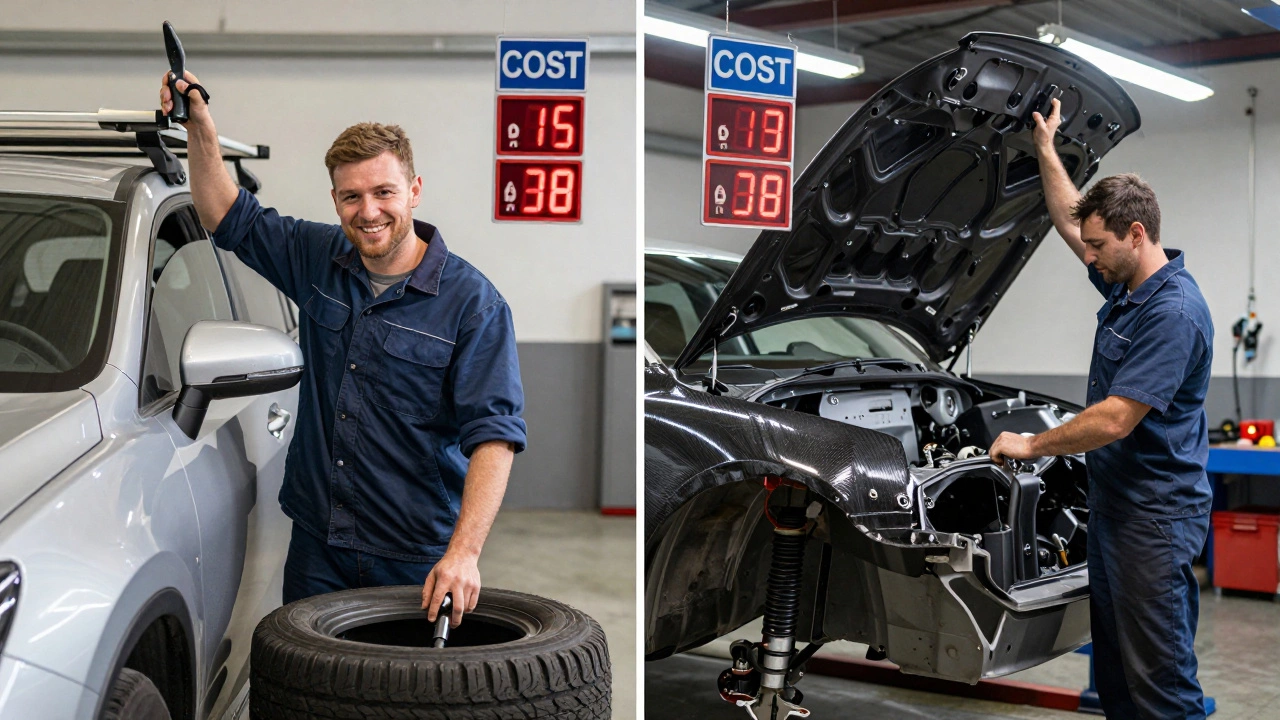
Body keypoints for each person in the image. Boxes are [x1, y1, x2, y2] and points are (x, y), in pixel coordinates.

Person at [160, 70, 527, 629]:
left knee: (399, 681)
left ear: (414, 190)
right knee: (306, 678)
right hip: (319, 545)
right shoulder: (318, 257)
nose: (369, 211)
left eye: (384, 192)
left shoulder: (473, 305)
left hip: (413, 555)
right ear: (335, 199)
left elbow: (495, 438)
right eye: (352, 196)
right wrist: (201, 129)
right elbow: (225, 215)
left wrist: (464, 553)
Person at [988, 98, 1213, 719]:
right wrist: (1045, 148)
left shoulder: (1172, 313)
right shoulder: (1127, 286)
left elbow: (1116, 418)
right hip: (1118, 512)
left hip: (1155, 522)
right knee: (1117, 679)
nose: (1088, 257)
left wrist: (1033, 444)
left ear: (1136, 234)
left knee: (1161, 685)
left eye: (1098, 247)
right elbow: (1071, 221)